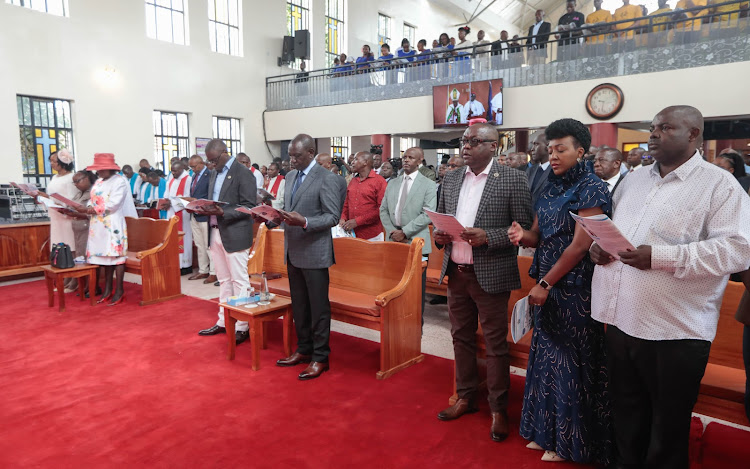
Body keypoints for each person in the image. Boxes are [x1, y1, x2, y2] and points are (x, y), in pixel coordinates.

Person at [591, 105, 750, 468]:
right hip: (620, 317)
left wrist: (661, 257)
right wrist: (601, 249)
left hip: (674, 330)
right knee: (626, 414)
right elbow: (620, 231)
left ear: (693, 134)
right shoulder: (635, 178)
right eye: (653, 127)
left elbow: (738, 250)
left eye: (666, 127)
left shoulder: (718, 184)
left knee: (667, 426)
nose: (654, 134)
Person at [508, 119, 613, 464]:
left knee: (570, 366)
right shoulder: (550, 186)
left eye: (561, 149)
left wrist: (545, 283)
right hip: (546, 285)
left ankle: (570, 442)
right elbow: (538, 236)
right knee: (545, 362)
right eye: (550, 149)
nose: (553, 155)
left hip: (573, 289)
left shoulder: (592, 188)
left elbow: (580, 246)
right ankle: (545, 433)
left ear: (580, 151)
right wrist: (521, 235)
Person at [433, 123, 533, 443]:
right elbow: (439, 218)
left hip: (490, 274)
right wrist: (439, 236)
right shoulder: (449, 178)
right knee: (460, 337)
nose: (466, 146)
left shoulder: (513, 179)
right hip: (457, 271)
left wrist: (488, 236)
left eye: (474, 141)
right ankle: (465, 396)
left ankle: (498, 408)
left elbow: (525, 229)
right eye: (464, 140)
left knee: (495, 344)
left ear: (494, 147)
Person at [274, 134, 345, 380]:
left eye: (297, 156)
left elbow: (332, 216)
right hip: (293, 250)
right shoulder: (291, 176)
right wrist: (273, 216)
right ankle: (303, 349)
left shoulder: (327, 178)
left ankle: (320, 357)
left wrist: (304, 221)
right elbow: (288, 209)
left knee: (318, 308)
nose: (291, 160)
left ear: (311, 152)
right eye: (290, 155)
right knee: (300, 306)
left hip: (315, 252)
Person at [195, 139, 257, 345]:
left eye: (213, 160)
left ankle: (242, 325)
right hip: (215, 231)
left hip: (235, 232)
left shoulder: (243, 173)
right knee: (223, 280)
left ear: (224, 153)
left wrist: (223, 211)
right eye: (209, 162)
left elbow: (249, 207)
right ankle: (223, 321)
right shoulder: (214, 173)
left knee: (240, 281)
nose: (211, 165)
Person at [380, 146, 437, 320]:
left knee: (415, 290)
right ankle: (395, 320)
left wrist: (404, 232)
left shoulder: (428, 184)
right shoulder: (393, 183)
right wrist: (392, 231)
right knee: (394, 284)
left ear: (420, 161)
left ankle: (414, 326)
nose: (406, 160)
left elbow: (428, 213)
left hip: (416, 241)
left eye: (411, 158)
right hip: (393, 240)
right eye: (405, 157)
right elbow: (383, 210)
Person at [77, 153, 138, 306]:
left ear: (111, 169)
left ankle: (119, 290)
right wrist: (89, 207)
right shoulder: (98, 182)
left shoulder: (120, 182)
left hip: (112, 223)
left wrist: (93, 210)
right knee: (105, 258)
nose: (99, 172)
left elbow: (114, 204)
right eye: (98, 169)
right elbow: (93, 200)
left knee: (116, 257)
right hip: (97, 224)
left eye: (102, 169)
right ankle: (107, 289)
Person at [60, 170, 97, 294]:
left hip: (87, 227)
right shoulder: (79, 194)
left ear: (87, 178)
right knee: (79, 256)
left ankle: (88, 286)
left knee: (86, 257)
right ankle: (80, 283)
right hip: (77, 227)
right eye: (74, 182)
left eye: (78, 181)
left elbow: (94, 213)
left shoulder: (93, 192)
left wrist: (77, 213)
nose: (76, 184)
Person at [43, 150, 77, 272]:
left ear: (63, 162)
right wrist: (42, 197)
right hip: (56, 215)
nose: (51, 163)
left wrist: (60, 204)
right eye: (50, 161)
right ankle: (63, 274)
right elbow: (52, 196)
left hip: (66, 216)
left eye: (54, 161)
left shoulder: (71, 178)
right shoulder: (55, 177)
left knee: (70, 245)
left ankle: (73, 276)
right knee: (58, 246)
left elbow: (73, 199)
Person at [340, 152, 387, 241]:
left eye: (356, 159)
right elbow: (346, 203)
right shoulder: (353, 180)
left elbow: (381, 209)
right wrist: (343, 218)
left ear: (365, 162)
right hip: (352, 234)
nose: (352, 162)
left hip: (372, 235)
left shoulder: (379, 181)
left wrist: (357, 221)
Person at [187, 155, 216, 284]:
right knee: (199, 244)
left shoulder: (209, 175)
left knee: (208, 245)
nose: (192, 169)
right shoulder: (194, 176)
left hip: (205, 214)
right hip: (195, 214)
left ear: (201, 163)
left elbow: (210, 196)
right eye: (191, 167)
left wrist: (197, 201)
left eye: (194, 166)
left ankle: (213, 272)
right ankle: (203, 269)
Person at [163, 160, 193, 275]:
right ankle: (176, 264)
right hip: (171, 213)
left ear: (181, 169)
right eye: (172, 171)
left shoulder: (188, 180)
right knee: (172, 238)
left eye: (175, 171)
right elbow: (166, 195)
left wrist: (173, 203)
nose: (173, 173)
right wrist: (165, 202)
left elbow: (188, 198)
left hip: (182, 214)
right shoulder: (170, 180)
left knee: (184, 238)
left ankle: (185, 265)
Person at [527, 131, 552, 208]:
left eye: (536, 144)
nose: (532, 149)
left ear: (547, 146)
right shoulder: (530, 170)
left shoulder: (556, 171)